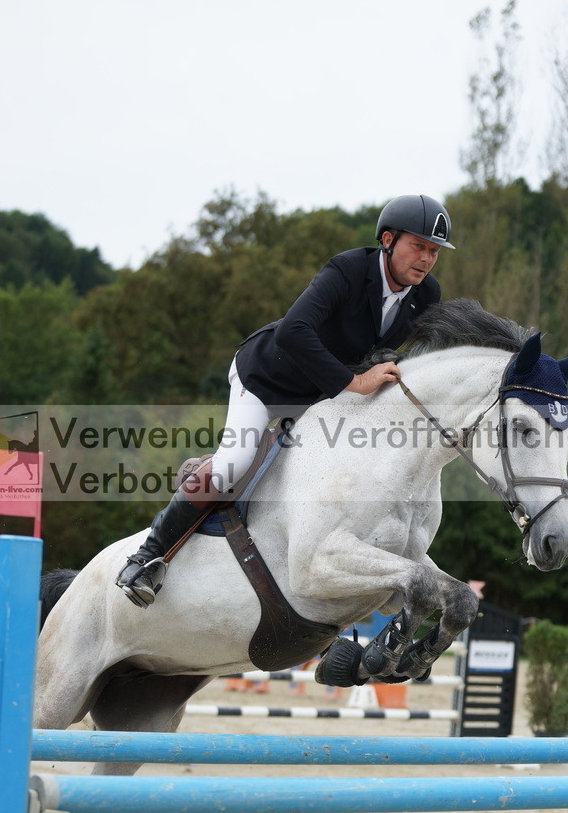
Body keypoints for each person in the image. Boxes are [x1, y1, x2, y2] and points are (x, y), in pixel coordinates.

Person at [116, 194, 455, 607]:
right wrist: (356, 380)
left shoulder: (426, 294)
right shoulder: (348, 269)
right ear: (387, 239)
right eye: (418, 246)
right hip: (266, 379)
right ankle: (146, 558)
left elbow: (422, 357)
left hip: (320, 397)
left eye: (434, 251)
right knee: (235, 463)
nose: (426, 259)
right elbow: (294, 330)